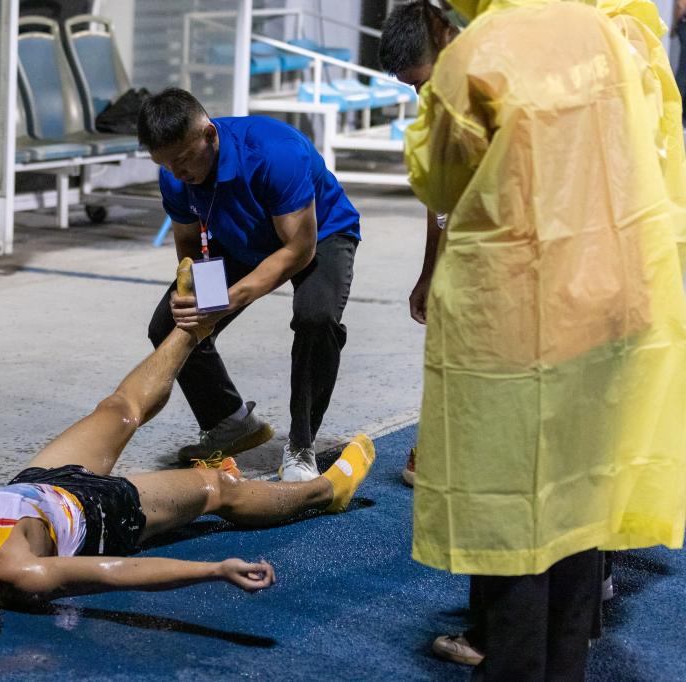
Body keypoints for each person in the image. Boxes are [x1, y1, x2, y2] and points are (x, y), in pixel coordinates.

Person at [0, 265, 376, 647]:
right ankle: (326, 491)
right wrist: (213, 568)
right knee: (218, 489)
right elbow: (120, 572)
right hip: (101, 513)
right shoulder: (21, 570)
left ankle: (196, 326)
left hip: (39, 485)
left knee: (119, 408)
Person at [404, 0, 686, 678]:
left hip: (513, 315)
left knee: (513, 513)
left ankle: (515, 664)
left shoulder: (478, 52)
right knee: (577, 504)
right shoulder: (605, 33)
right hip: (606, 297)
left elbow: (437, 177)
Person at [138, 88, 362, 482]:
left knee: (316, 317)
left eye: (183, 160)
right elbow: (188, 243)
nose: (176, 173)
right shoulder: (174, 174)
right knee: (172, 323)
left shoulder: (276, 153)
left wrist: (228, 299)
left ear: (209, 135)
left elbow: (298, 250)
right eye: (165, 164)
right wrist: (195, 296)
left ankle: (301, 444)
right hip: (239, 237)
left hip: (318, 235)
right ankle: (229, 422)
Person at [379, 0, 459, 492]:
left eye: (423, 82)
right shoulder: (437, 108)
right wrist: (429, 271)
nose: (420, 94)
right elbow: (439, 199)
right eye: (412, 87)